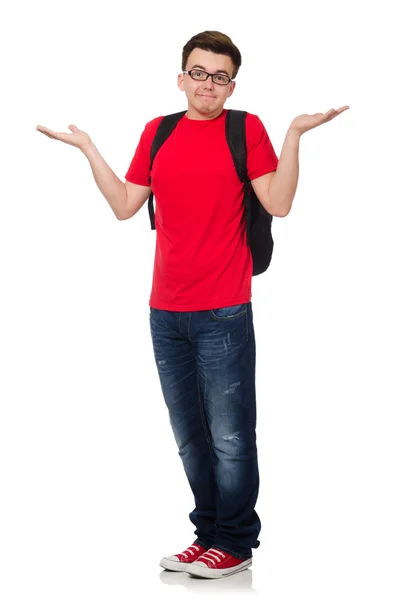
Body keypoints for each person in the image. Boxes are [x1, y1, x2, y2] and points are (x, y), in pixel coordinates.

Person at [36, 30, 349, 580]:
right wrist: (88, 148)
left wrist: (295, 134)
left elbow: (277, 201)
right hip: (164, 312)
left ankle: (235, 543)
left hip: (223, 310)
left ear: (232, 85)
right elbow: (126, 206)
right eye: (199, 73)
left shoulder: (244, 128)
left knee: (230, 436)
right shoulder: (157, 132)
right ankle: (208, 535)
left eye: (220, 76)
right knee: (189, 437)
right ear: (182, 77)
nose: (209, 84)